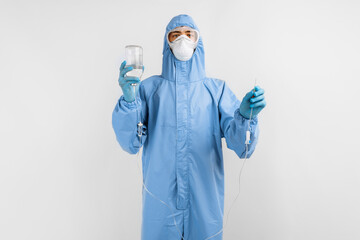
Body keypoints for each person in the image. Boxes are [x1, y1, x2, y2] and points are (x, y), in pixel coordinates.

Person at [112, 14, 266, 240]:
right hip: (160, 201)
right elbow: (130, 143)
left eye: (188, 34)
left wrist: (244, 116)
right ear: (167, 42)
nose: (182, 40)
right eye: (175, 35)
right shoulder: (148, 89)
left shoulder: (216, 91)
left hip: (204, 201)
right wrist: (128, 101)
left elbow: (242, 147)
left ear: (197, 41)